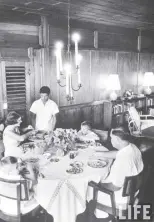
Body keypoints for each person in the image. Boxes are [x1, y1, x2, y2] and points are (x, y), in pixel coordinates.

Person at [88, 127, 144, 218]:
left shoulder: (123, 160)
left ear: (117, 139)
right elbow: (118, 153)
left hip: (118, 200)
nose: (111, 141)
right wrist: (99, 154)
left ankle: (102, 217)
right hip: (133, 193)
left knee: (89, 188)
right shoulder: (132, 147)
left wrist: (99, 182)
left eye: (112, 138)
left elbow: (114, 187)